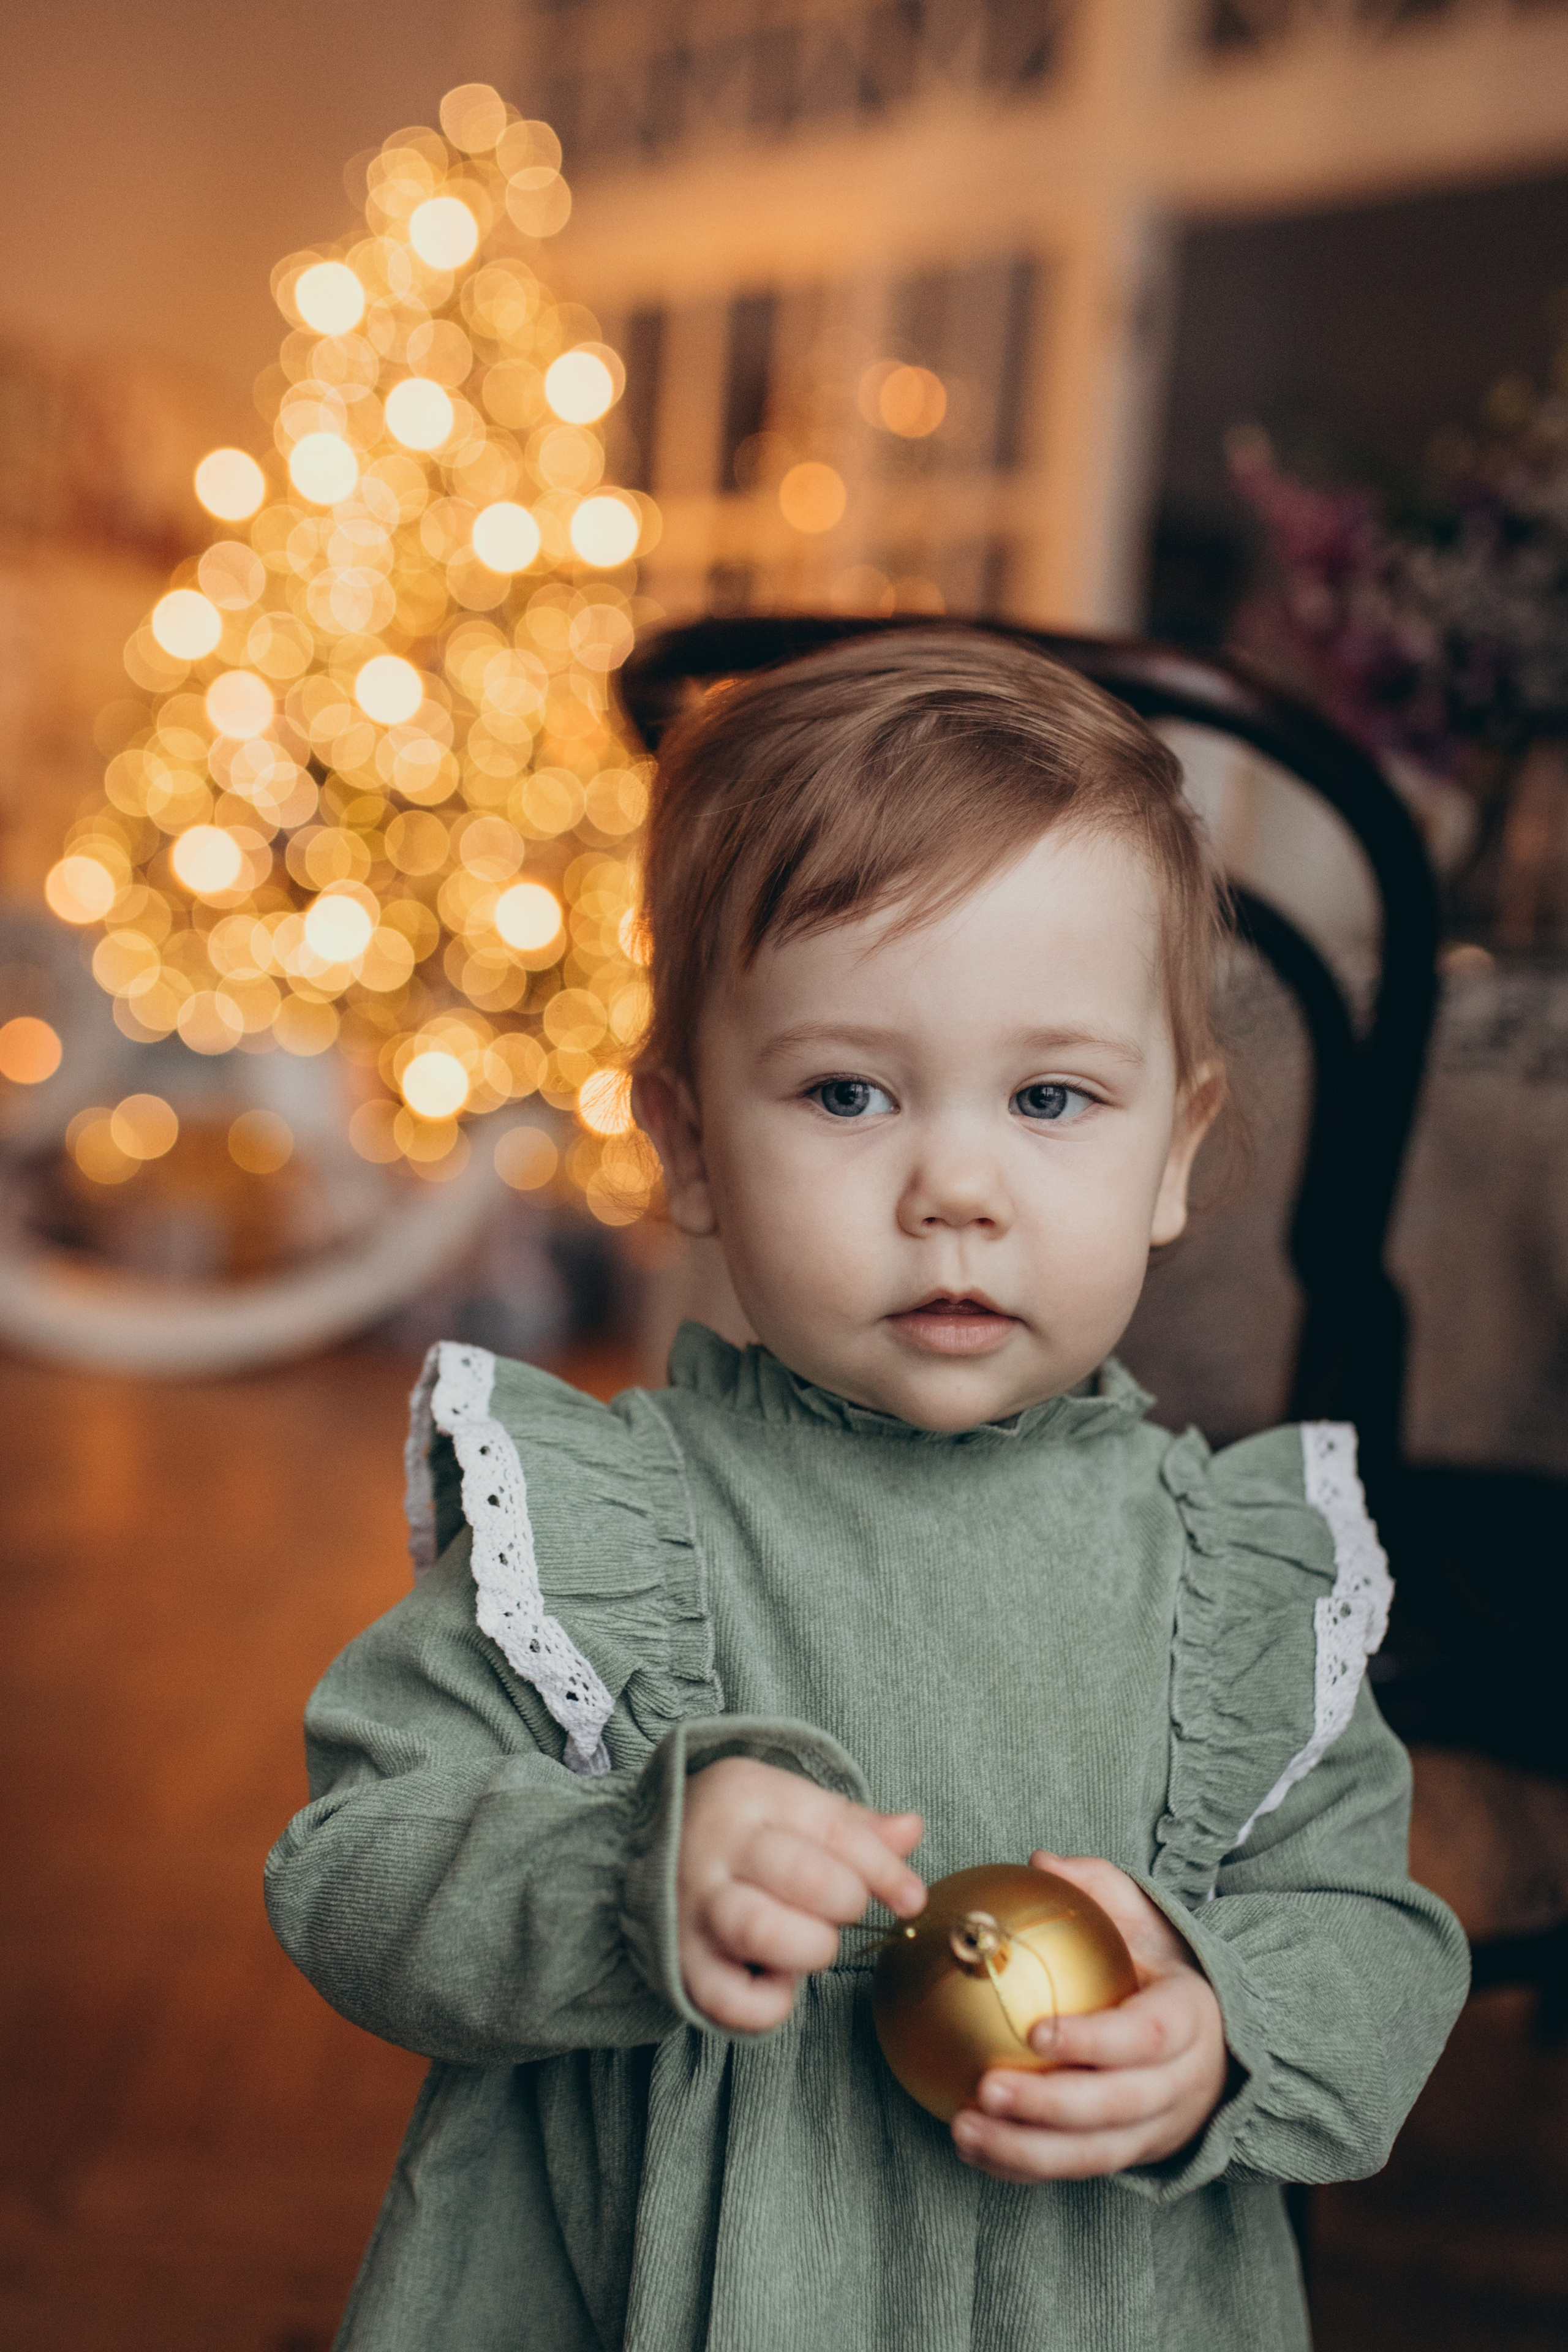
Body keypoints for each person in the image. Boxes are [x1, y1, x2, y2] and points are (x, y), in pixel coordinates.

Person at [266, 629, 1468, 2352]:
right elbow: (353, 1874)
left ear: (1176, 1151)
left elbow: (1374, 1935)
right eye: (847, 1092)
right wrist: (630, 1870)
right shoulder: (596, 1533)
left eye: (1054, 1097)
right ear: (686, 1143)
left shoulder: (1243, 1584)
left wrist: (1223, 2027)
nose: (956, 1187)